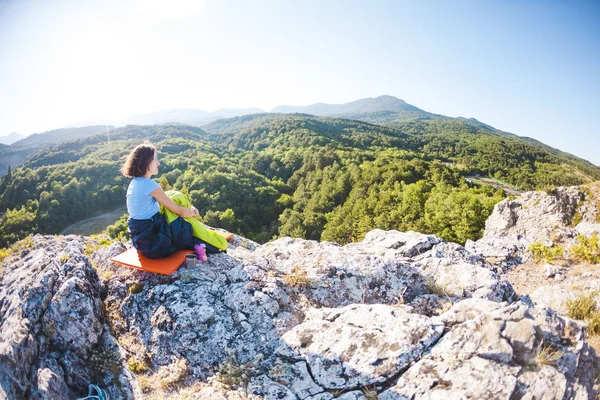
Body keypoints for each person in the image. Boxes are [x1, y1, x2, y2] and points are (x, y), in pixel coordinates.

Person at [120, 142, 227, 259]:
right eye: (155, 159)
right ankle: (213, 246)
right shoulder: (149, 185)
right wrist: (193, 212)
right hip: (157, 244)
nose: (158, 163)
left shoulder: (134, 183)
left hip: (143, 243)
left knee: (173, 199)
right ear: (146, 162)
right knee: (186, 229)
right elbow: (178, 211)